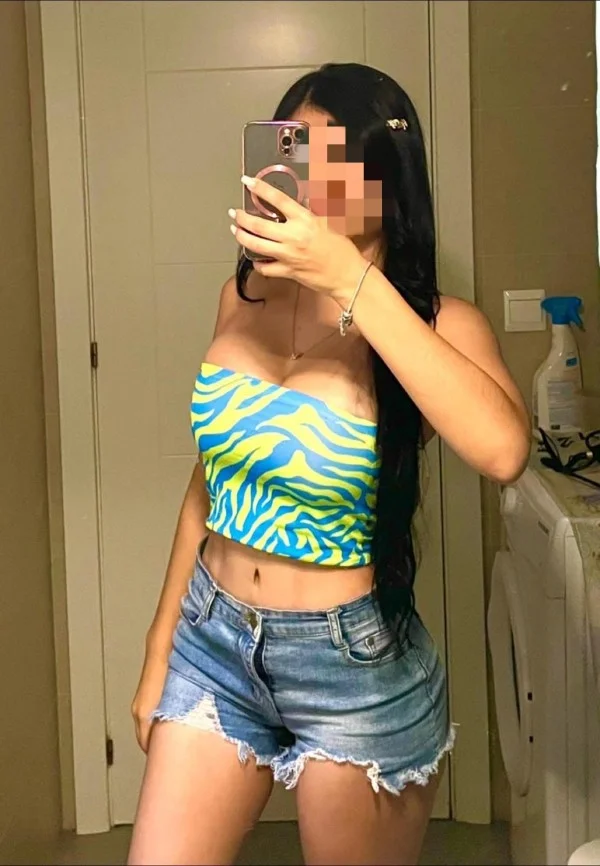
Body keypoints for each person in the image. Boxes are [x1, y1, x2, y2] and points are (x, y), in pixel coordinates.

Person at [128, 63, 529, 866]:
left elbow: (503, 452)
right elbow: (207, 485)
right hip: (214, 639)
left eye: (329, 156)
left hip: (351, 665)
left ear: (386, 180)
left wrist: (348, 276)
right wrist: (159, 648)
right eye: (292, 149)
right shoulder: (242, 297)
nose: (304, 175)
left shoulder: (434, 323)